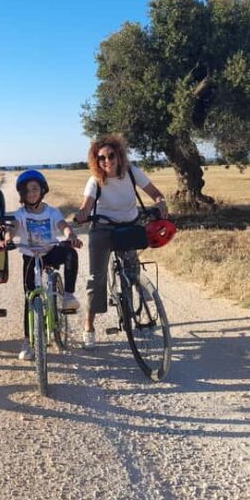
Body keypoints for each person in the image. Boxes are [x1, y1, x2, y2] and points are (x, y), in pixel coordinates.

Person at [73, 134, 168, 350]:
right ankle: (89, 326)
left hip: (129, 226)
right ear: (95, 161)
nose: (107, 161)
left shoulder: (132, 172)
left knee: (132, 271)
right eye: (101, 158)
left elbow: (155, 193)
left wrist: (161, 202)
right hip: (103, 229)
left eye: (111, 155)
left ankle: (136, 293)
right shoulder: (95, 181)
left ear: (119, 155)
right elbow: (86, 206)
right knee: (96, 279)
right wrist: (81, 215)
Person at [6, 170, 82, 361]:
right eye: (27, 191)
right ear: (22, 195)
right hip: (30, 258)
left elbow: (63, 226)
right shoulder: (21, 213)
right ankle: (28, 341)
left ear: (42, 190)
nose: (31, 193)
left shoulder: (52, 212)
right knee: (29, 298)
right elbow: (13, 227)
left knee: (70, 253)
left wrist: (70, 236)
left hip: (50, 252)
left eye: (35, 189)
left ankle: (68, 295)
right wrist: (7, 238)